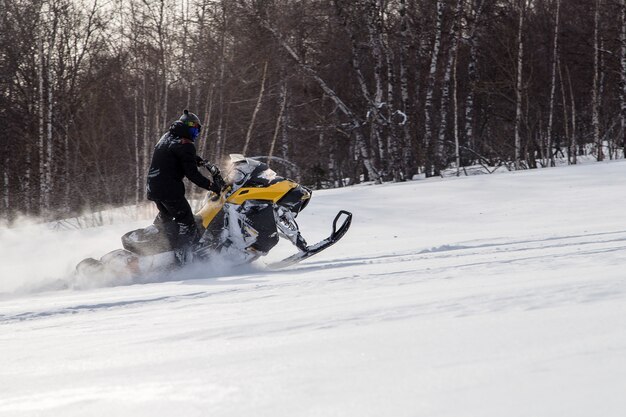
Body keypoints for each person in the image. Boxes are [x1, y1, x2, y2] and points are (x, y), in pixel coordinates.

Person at [146, 109, 222, 264]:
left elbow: (177, 154)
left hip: (154, 188)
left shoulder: (167, 137)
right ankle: (182, 261)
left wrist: (199, 160)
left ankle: (156, 248)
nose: (196, 133)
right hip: (170, 191)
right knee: (187, 223)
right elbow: (192, 175)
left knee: (167, 220)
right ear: (188, 127)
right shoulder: (185, 145)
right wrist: (213, 186)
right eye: (195, 129)